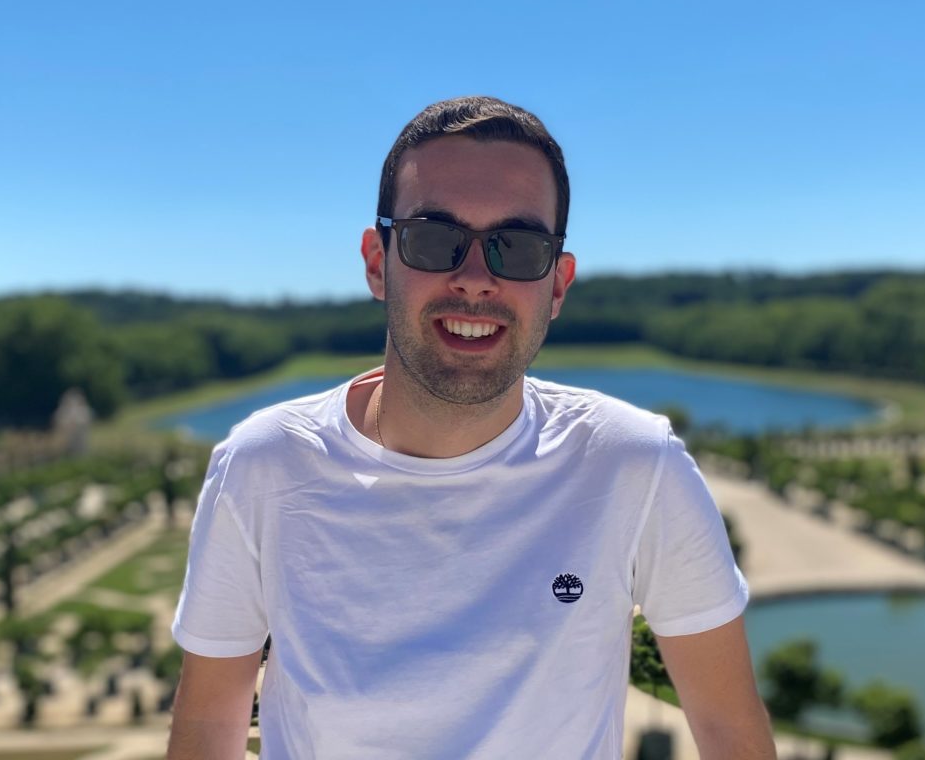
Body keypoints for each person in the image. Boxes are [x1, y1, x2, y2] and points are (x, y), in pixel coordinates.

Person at [167, 96, 776, 759]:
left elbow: (731, 734)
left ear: (558, 284)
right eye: (435, 239)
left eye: (517, 247)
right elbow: (207, 730)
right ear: (377, 261)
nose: (476, 280)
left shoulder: (635, 466)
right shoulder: (263, 466)